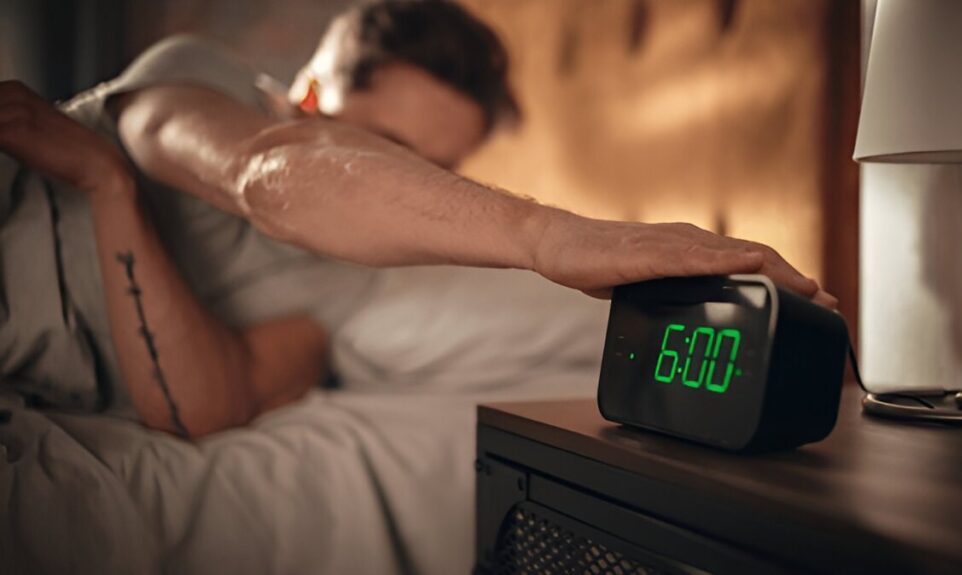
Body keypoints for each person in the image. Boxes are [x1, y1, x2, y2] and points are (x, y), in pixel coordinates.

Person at [0, 0, 834, 440]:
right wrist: (551, 235)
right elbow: (267, 175)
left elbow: (198, 406)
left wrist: (108, 187)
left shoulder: (357, 287)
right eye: (384, 145)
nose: (400, 182)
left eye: (429, 171)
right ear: (311, 98)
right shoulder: (198, 76)